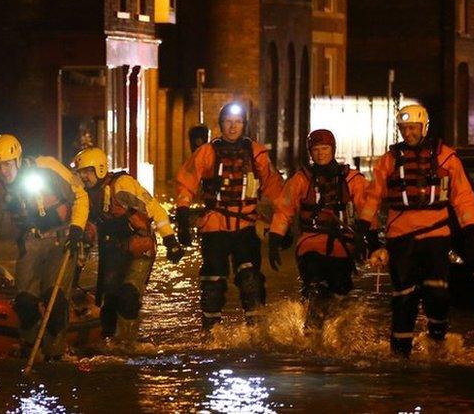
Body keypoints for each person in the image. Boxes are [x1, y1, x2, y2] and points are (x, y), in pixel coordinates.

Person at [355, 104, 474, 358]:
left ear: (424, 127)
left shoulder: (445, 157)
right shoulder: (389, 161)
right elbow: (372, 197)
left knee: (437, 291)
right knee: (404, 296)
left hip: (436, 235)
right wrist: (364, 229)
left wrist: (471, 231)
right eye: (404, 128)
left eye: (413, 127)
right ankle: (400, 353)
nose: (408, 133)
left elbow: (463, 196)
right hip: (401, 237)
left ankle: (437, 336)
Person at [0, 134, 89, 360]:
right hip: (30, 244)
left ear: (18, 159)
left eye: (7, 164)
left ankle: (55, 352)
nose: (4, 171)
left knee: (56, 299)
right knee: (24, 302)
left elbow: (80, 195)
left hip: (61, 241)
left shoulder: (47, 167)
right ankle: (32, 346)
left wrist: (77, 228)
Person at [175, 101, 284, 329]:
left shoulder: (256, 153)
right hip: (215, 225)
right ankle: (211, 334)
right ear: (221, 124)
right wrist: (183, 215)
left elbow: (275, 189)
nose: (233, 127)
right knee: (213, 283)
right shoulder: (206, 152)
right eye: (228, 122)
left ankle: (256, 332)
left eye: (237, 122)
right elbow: (187, 183)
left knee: (251, 279)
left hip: (246, 224)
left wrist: (281, 227)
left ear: (244, 124)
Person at [74, 146, 185, 345]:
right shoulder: (87, 197)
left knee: (128, 297)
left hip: (139, 249)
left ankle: (128, 344)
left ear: (100, 169)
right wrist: (77, 265)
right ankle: (111, 342)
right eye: (81, 172)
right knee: (109, 306)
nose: (84, 177)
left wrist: (170, 240)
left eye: (87, 172)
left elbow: (154, 209)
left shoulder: (122, 186)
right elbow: (89, 232)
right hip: (114, 251)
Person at [268, 129, 372, 329]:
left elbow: (367, 208)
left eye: (325, 148)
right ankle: (312, 335)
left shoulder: (351, 178)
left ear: (333, 149)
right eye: (316, 149)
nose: (321, 153)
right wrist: (275, 237)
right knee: (315, 287)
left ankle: (330, 333)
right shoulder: (301, 179)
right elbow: (284, 210)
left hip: (342, 246)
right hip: (310, 244)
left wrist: (369, 239)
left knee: (339, 293)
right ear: (310, 152)